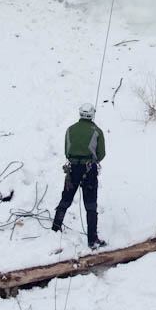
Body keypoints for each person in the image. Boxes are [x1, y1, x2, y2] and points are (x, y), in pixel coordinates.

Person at [51, 103, 107, 249]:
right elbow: (101, 154)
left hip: (72, 169)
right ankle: (92, 239)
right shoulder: (97, 131)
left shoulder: (70, 129)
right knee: (90, 204)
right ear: (92, 114)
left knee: (66, 197)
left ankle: (56, 227)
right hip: (89, 171)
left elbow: (66, 150)